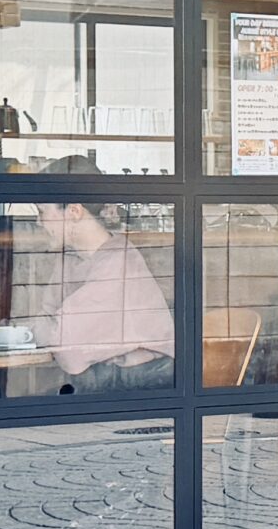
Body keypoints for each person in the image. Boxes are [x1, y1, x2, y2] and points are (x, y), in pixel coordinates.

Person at [20, 160, 176, 393]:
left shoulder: (117, 262)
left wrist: (43, 330)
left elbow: (67, 348)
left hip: (141, 388)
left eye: (42, 212)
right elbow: (46, 320)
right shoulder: (69, 259)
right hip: (104, 383)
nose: (38, 222)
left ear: (74, 211)